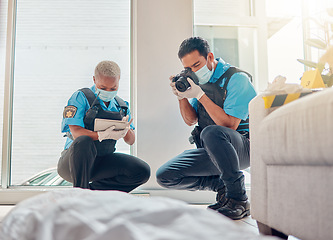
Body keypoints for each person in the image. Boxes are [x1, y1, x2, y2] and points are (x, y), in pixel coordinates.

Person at [156, 37, 256, 220]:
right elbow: (190, 119)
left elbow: (229, 125)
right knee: (165, 175)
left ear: (210, 57)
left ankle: (239, 199)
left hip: (242, 148)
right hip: (214, 151)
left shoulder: (237, 79)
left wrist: (200, 95)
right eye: (189, 68)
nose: (193, 71)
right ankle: (222, 188)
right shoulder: (198, 81)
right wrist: (182, 97)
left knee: (211, 132)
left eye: (197, 65)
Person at [58, 60, 150, 192]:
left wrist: (126, 130)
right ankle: (80, 195)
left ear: (118, 81)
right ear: (94, 80)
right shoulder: (80, 97)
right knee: (84, 141)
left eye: (113, 88)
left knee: (141, 171)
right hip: (74, 162)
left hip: (102, 161)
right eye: (103, 87)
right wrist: (102, 135)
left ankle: (92, 194)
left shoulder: (121, 106)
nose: (108, 91)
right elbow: (76, 133)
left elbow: (131, 141)